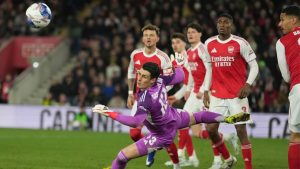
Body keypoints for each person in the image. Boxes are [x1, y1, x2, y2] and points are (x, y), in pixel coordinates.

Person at [92, 62, 250, 169]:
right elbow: (180, 76)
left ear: (153, 79)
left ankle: (158, 154)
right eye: (139, 74)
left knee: (121, 157)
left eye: (144, 77)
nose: (139, 79)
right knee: (200, 116)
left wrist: (108, 112)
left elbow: (135, 122)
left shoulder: (145, 99)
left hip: (162, 135)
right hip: (174, 118)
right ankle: (228, 119)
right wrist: (177, 63)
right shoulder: (160, 80)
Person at [167, 24, 238, 169]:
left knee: (209, 127)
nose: (190, 34)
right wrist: (185, 91)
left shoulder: (202, 49)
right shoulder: (189, 51)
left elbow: (210, 70)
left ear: (200, 34)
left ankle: (218, 160)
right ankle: (183, 155)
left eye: (193, 32)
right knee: (182, 122)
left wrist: (205, 90)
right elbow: (192, 75)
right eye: (189, 32)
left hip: (207, 93)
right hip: (195, 93)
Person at [203, 13, 259, 169]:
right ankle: (228, 160)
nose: (222, 24)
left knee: (241, 130)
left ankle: (249, 167)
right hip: (216, 95)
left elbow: (254, 66)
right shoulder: (209, 43)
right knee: (211, 129)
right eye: (219, 22)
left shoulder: (240, 43)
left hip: (237, 95)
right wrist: (206, 90)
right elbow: (209, 68)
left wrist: (248, 84)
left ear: (231, 25)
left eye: (225, 22)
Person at [126, 24, 179, 167]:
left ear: (157, 38)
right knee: (134, 134)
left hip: (157, 103)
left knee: (164, 134)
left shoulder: (163, 57)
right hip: (140, 100)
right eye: (146, 35)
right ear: (143, 38)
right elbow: (131, 72)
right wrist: (130, 93)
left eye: (151, 35)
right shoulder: (135, 54)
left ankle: (176, 165)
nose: (148, 38)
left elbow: (172, 81)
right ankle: (151, 148)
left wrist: (159, 93)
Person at [275, 5, 300, 169]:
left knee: (296, 137)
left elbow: (286, 76)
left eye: (283, 19)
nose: (279, 24)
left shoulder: (282, 42)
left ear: (294, 19)